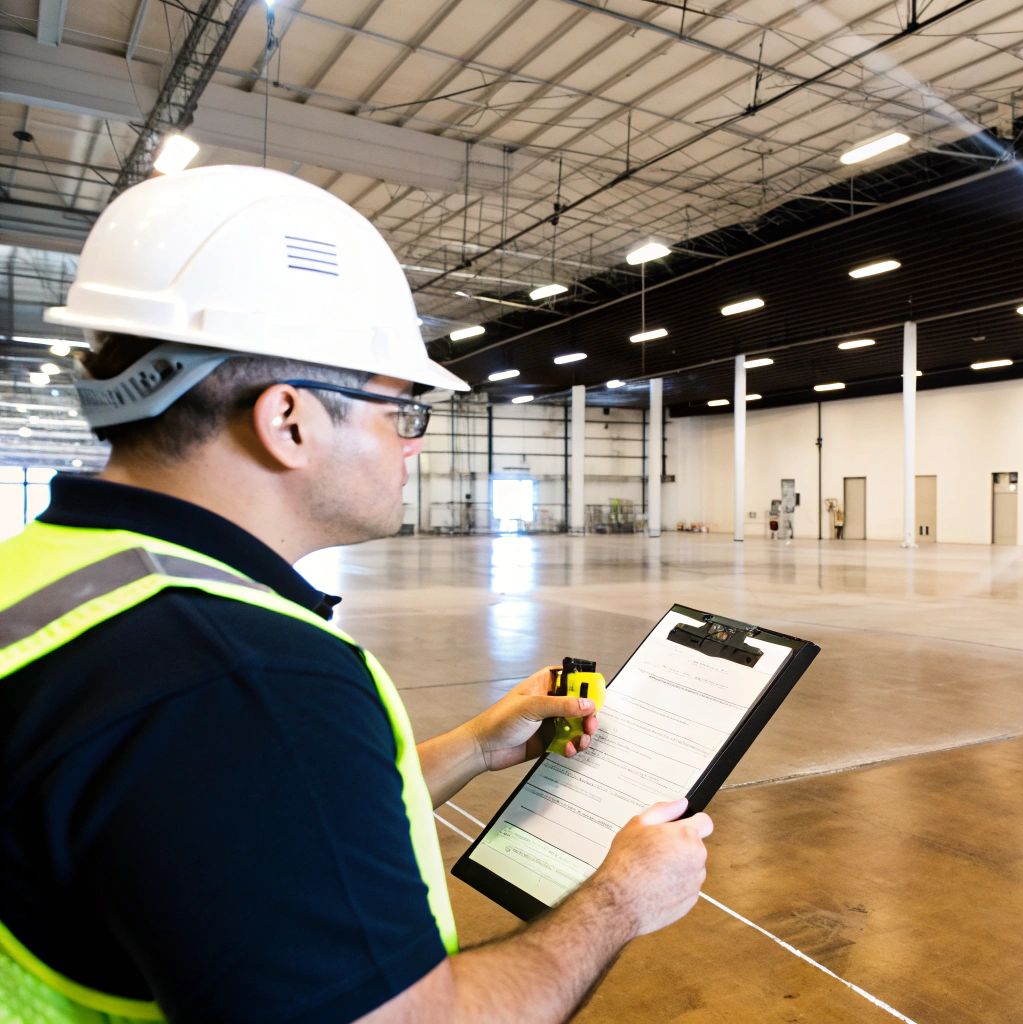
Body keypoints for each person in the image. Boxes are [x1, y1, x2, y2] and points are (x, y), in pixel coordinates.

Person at [0, 167, 711, 1023]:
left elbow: (233, 829)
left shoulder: (53, 578)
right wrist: (621, 899)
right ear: (289, 421)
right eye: (401, 413)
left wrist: (474, 747)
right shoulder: (243, 681)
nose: (411, 448)